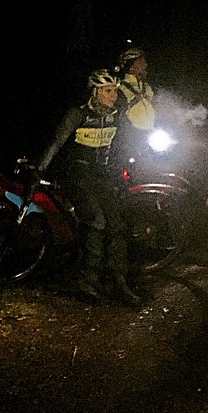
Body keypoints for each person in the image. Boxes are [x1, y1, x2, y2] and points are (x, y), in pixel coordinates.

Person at [34, 68, 142, 308]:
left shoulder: (117, 114)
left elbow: (130, 142)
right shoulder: (78, 114)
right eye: (106, 90)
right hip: (77, 174)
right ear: (95, 92)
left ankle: (119, 283)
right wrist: (40, 168)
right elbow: (57, 141)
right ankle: (87, 282)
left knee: (116, 224)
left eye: (114, 90)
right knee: (96, 221)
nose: (112, 95)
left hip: (102, 175)